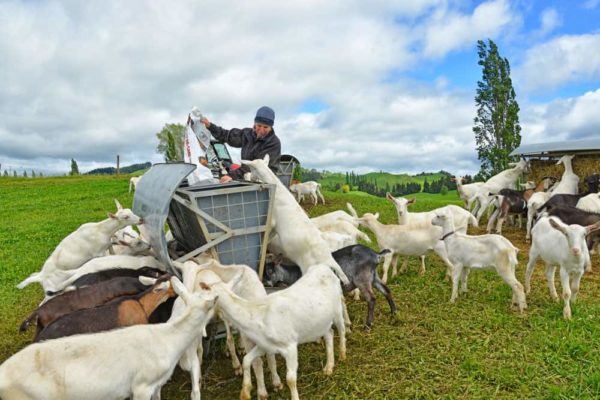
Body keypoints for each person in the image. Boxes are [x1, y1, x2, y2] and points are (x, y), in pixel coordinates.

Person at [200, 106, 281, 183]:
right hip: (246, 178)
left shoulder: (274, 143)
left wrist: (232, 176)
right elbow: (226, 135)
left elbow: (255, 167)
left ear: (271, 127)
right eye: (259, 126)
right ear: (255, 123)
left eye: (266, 127)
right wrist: (210, 126)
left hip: (265, 183)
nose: (261, 130)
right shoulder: (247, 134)